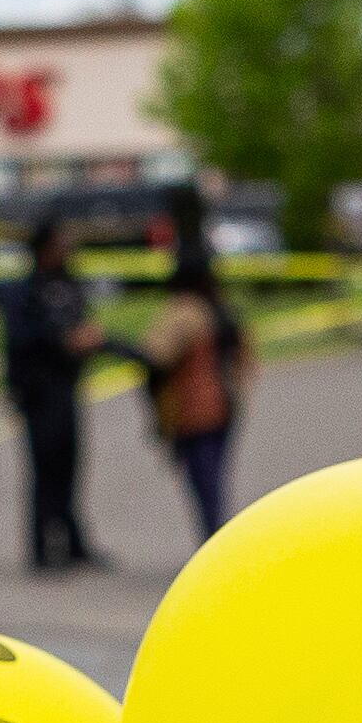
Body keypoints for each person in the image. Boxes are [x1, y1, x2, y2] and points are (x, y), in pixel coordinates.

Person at [0, 216, 106, 572]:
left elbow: (83, 326)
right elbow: (20, 340)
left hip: (66, 388)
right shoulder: (25, 291)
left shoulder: (68, 284)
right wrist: (62, 340)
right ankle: (42, 549)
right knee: (44, 468)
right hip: (38, 392)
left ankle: (73, 542)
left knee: (70, 465)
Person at [141, 193, 249, 540]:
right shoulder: (221, 310)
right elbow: (245, 354)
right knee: (216, 481)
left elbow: (155, 356)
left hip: (193, 410)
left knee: (204, 488)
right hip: (224, 404)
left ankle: (213, 548)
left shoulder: (185, 312)